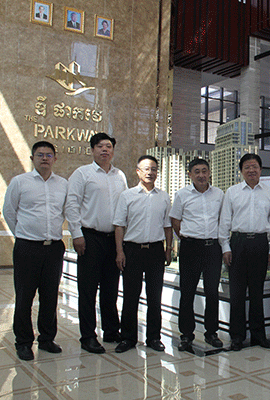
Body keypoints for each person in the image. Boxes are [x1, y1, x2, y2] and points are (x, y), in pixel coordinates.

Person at [3, 141, 67, 361]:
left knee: (50, 295)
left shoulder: (63, 184)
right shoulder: (20, 182)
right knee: (25, 296)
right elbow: (9, 211)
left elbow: (66, 211)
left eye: (49, 155)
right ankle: (23, 342)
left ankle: (47, 339)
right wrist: (23, 235)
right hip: (27, 248)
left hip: (54, 248)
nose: (44, 158)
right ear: (32, 158)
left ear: (55, 159)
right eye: (40, 155)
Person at [66, 132, 128, 354]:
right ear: (92, 150)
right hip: (89, 238)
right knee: (88, 289)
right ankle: (88, 336)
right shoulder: (82, 174)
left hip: (113, 240)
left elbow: (124, 208)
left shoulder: (120, 176)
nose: (105, 150)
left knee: (111, 289)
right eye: (100, 146)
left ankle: (111, 331)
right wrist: (76, 234)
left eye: (108, 146)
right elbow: (71, 204)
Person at [219, 153, 270, 351]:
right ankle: (237, 337)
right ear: (241, 171)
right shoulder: (232, 192)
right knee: (236, 293)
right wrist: (225, 247)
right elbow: (224, 222)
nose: (251, 170)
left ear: (261, 170)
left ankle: (258, 336)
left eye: (255, 167)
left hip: (260, 244)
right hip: (238, 244)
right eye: (247, 167)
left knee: (257, 293)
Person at [113, 155, 172, 353]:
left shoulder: (163, 197)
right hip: (132, 250)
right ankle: (128, 338)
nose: (150, 172)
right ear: (138, 171)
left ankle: (154, 337)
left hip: (155, 251)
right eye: (146, 169)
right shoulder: (127, 196)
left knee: (155, 297)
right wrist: (119, 251)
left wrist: (168, 249)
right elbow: (119, 226)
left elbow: (167, 226)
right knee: (131, 297)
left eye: (154, 169)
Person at [170, 158, 224, 353]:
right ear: (190, 175)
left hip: (213, 248)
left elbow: (223, 219)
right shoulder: (182, 194)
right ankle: (186, 335)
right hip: (190, 248)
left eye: (204, 171)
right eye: (197, 171)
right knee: (187, 292)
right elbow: (175, 220)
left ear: (209, 173)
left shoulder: (219, 194)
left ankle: (211, 333)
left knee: (212, 292)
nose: (201, 175)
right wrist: (187, 237)